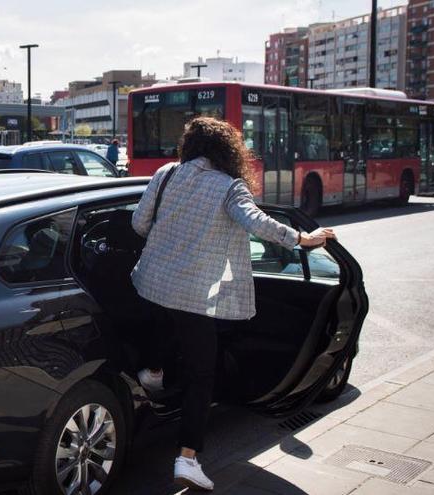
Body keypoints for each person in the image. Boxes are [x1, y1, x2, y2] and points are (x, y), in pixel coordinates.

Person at [130, 117, 333, 491]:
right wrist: (303, 239)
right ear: (229, 151)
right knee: (200, 375)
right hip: (192, 296)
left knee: (160, 322)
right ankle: (187, 460)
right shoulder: (229, 187)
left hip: (149, 283)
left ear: (188, 147)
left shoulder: (165, 175)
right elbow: (256, 222)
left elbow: (139, 225)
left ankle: (154, 371)